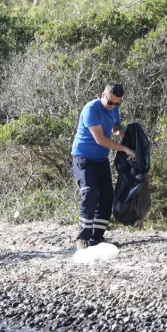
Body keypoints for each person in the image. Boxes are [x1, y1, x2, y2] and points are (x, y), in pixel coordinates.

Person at [71, 82, 136, 249]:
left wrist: (125, 131)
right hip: (84, 159)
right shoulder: (91, 109)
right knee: (90, 193)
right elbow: (100, 139)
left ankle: (97, 237)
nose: (112, 106)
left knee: (107, 197)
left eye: (117, 103)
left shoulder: (113, 109)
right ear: (103, 95)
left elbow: (115, 128)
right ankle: (83, 238)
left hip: (101, 160)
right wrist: (124, 148)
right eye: (110, 102)